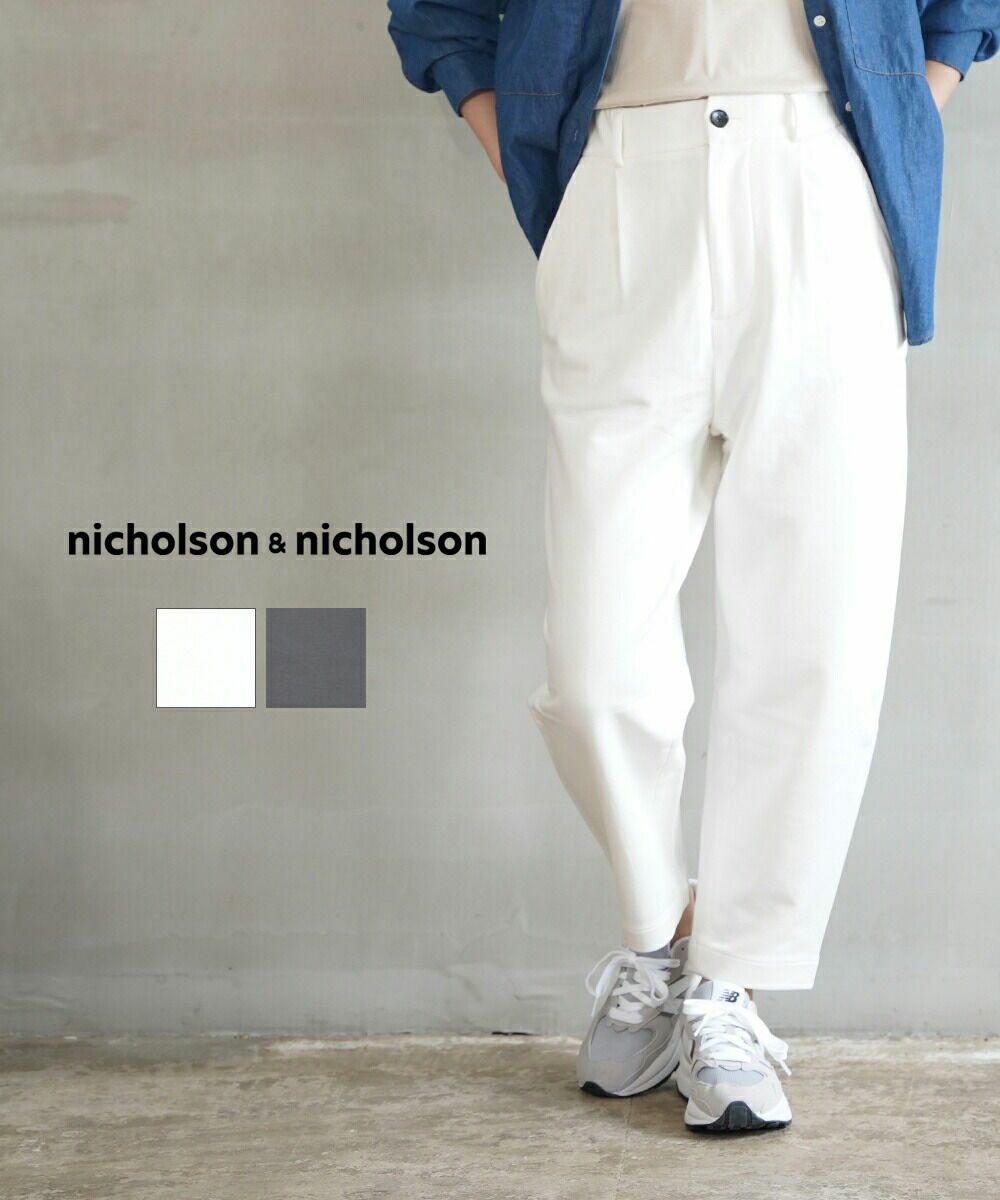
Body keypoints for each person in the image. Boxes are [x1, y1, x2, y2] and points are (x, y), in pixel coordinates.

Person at [387, 0, 998, 1133]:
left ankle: (729, 988)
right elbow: (435, 9)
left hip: (825, 178)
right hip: (622, 179)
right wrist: (529, 149)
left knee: (817, 633)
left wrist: (903, 114)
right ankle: (665, 930)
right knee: (593, 662)